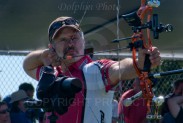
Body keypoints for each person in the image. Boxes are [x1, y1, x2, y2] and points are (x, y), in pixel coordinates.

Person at [23, 16, 161, 123]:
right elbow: (27, 65)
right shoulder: (51, 73)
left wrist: (139, 63)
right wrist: (43, 56)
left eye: (74, 38)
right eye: (63, 39)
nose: (70, 44)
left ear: (83, 41)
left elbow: (119, 68)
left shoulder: (94, 71)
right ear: (52, 47)